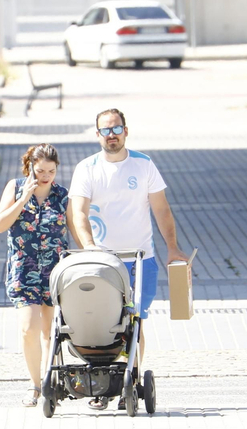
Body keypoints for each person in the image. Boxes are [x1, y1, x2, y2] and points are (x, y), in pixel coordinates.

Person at [68, 108, 188, 408]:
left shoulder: (144, 165)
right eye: (105, 130)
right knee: (101, 323)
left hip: (140, 260)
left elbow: (161, 210)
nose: (112, 135)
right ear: (97, 135)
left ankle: (129, 383)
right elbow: (78, 212)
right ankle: (99, 384)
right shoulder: (87, 168)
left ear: (125, 130)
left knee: (134, 323)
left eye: (116, 128)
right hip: (102, 263)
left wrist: (172, 248)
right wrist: (89, 247)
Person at [0, 144, 70, 408]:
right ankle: (34, 385)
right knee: (29, 329)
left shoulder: (62, 195)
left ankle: (49, 384)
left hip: (54, 272)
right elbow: (1, 225)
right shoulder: (14, 188)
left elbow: (77, 226)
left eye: (51, 170)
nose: (45, 176)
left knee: (50, 332)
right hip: (24, 271)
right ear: (29, 168)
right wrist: (23, 199)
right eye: (40, 171)